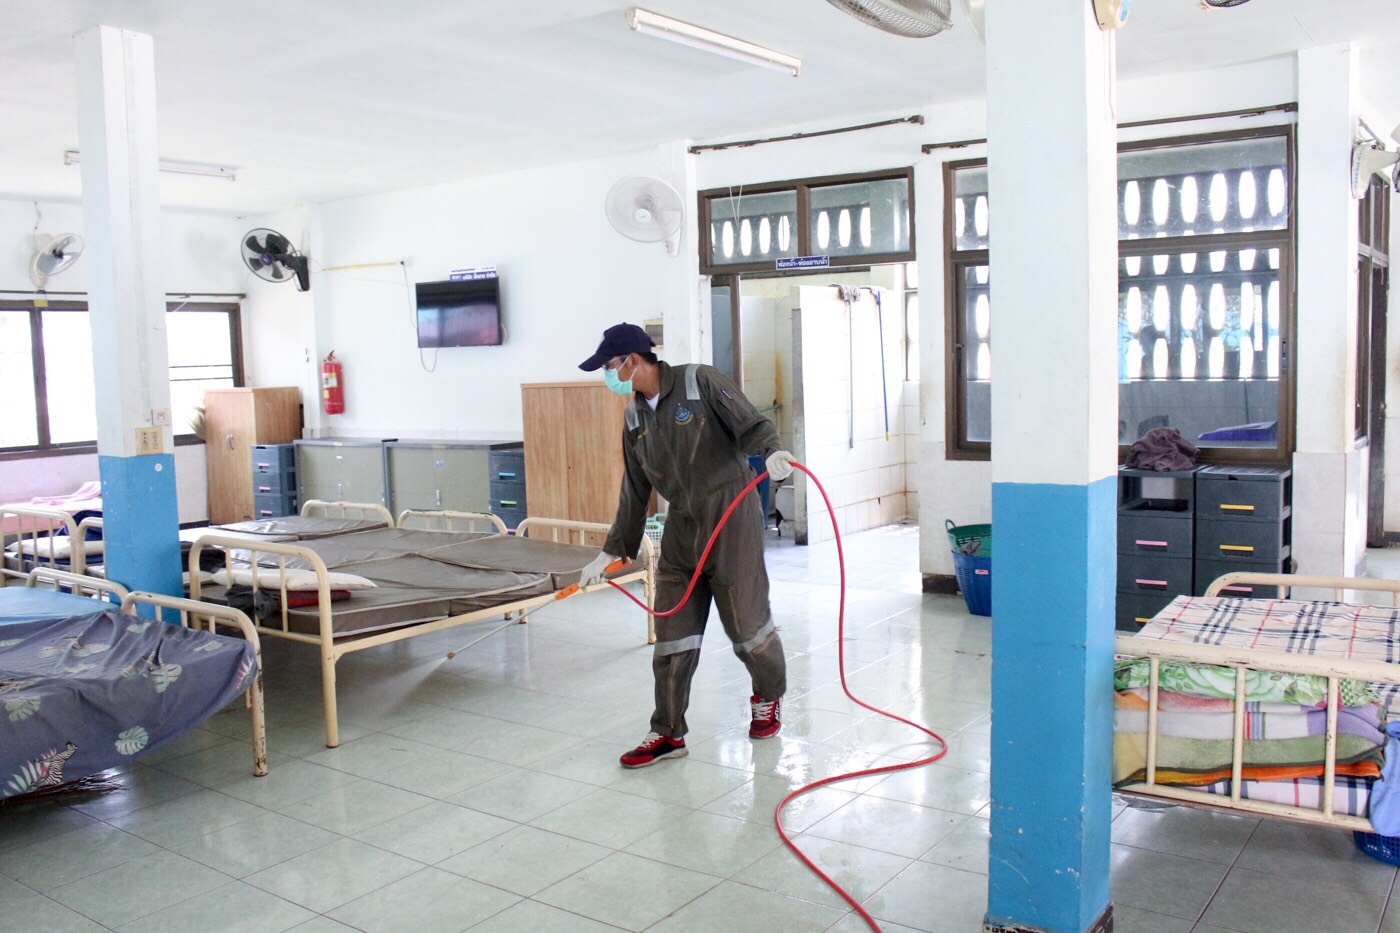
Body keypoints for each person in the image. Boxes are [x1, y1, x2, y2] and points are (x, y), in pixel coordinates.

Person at [577, 322, 795, 768]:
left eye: (610, 366)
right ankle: (667, 733)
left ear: (632, 361)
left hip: (730, 518)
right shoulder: (634, 418)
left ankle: (767, 695)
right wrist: (611, 550)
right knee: (672, 637)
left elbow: (752, 424)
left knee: (748, 631)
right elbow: (635, 489)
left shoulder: (699, 381)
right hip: (681, 527)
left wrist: (772, 450)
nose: (608, 376)